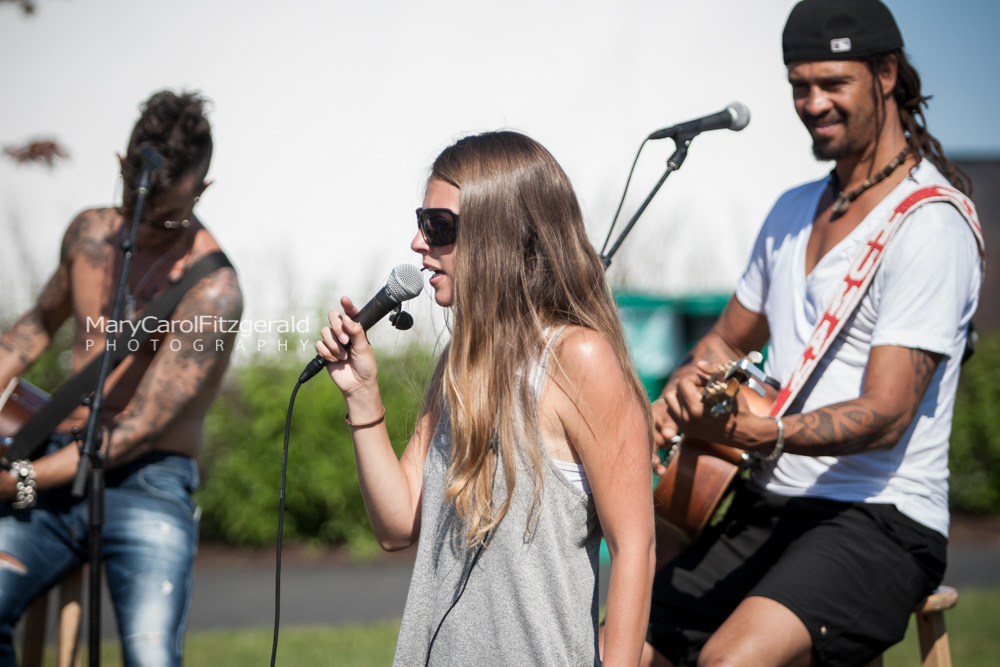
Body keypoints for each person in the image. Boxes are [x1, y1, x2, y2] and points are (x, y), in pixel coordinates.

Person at [643, 1, 983, 665]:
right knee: (622, 645)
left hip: (882, 515)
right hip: (770, 503)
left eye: (833, 83)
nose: (812, 102)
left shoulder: (931, 226)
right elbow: (722, 342)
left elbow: (886, 414)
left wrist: (765, 433)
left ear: (885, 73)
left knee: (727, 662)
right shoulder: (792, 211)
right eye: (800, 85)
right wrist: (686, 382)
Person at [315, 131, 656, 666]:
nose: (418, 243)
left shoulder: (578, 358)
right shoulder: (459, 363)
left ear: (502, 233)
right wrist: (362, 395)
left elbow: (636, 548)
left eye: (438, 226)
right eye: (420, 222)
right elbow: (396, 524)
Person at [0, 90, 242, 666]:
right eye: (144, 205)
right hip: (54, 472)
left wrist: (18, 480)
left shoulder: (214, 290)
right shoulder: (88, 236)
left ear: (202, 190)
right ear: (120, 169)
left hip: (148, 484)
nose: (155, 224)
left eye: (171, 212)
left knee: (151, 656)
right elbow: (33, 329)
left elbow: (133, 431)